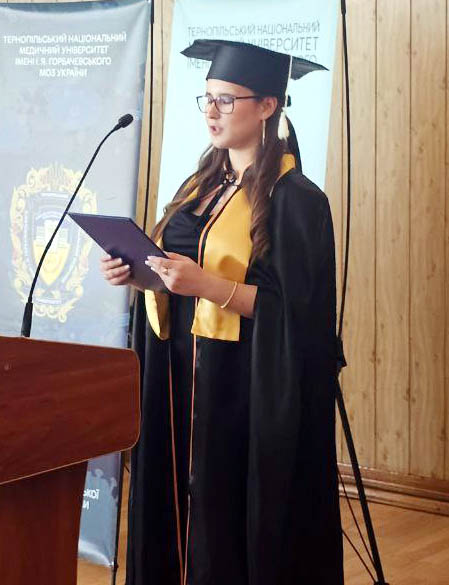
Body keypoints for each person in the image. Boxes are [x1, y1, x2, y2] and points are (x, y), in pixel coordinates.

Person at [101, 39, 344, 585]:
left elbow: (298, 317)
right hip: (179, 378)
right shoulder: (199, 186)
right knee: (176, 507)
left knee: (227, 517)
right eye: (207, 98)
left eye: (227, 100)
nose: (211, 111)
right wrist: (138, 274)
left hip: (242, 389)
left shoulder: (296, 199)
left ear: (267, 106)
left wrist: (208, 285)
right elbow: (175, 272)